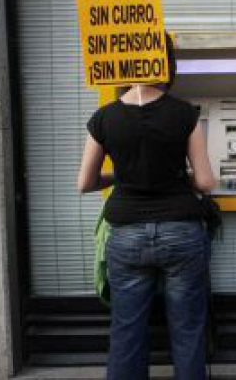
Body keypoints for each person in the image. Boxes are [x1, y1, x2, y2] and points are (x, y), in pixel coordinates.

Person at [77, 33, 215, 380]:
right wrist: (179, 174)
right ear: (165, 62)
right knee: (187, 330)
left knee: (127, 331)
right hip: (181, 233)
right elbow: (205, 183)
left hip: (126, 236)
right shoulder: (185, 114)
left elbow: (85, 183)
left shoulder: (104, 118)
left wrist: (121, 176)